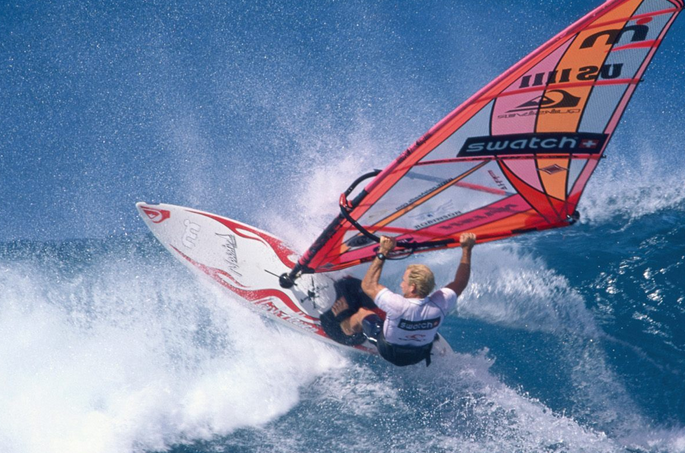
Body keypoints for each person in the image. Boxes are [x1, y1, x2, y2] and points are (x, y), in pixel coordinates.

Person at [333, 233, 476, 366]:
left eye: (404, 281)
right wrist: (467, 250)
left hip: (390, 352)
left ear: (412, 287)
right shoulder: (441, 303)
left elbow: (368, 285)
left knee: (363, 312)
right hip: (419, 354)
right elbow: (461, 282)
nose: (401, 284)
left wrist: (383, 252)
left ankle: (345, 327)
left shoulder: (397, 305)